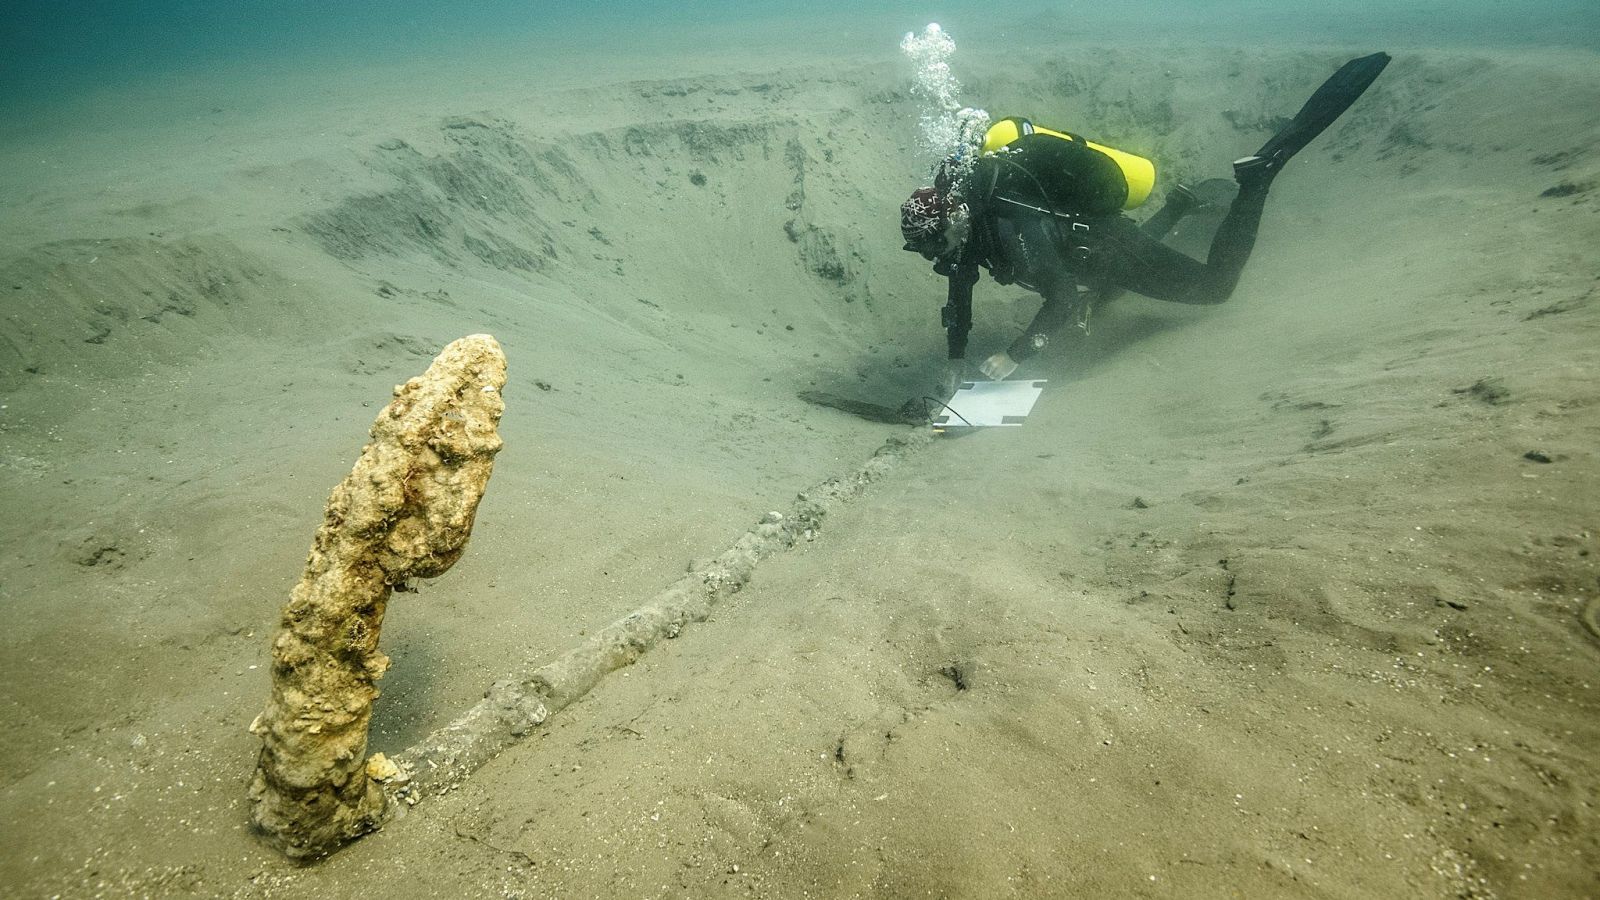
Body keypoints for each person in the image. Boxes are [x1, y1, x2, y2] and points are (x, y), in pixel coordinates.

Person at [901, 53, 1391, 384]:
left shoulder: (1011, 225)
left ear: (952, 222)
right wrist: (955, 359)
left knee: (1214, 287)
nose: (931, 256)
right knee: (1105, 287)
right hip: (1087, 250)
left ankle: (1258, 179)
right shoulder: (966, 230)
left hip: (1106, 244)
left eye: (930, 244)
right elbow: (959, 293)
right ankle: (1178, 206)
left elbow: (1061, 296)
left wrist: (1015, 355)